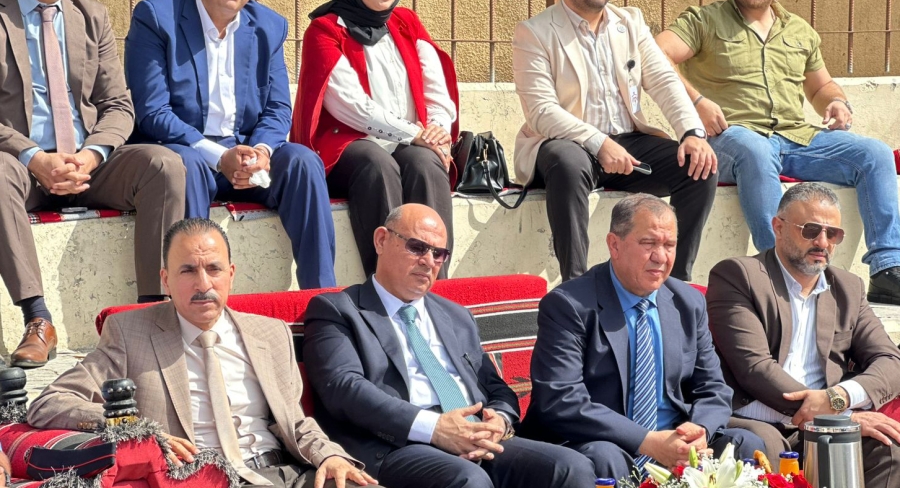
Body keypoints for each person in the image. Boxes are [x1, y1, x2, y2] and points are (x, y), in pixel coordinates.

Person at [28, 218, 377, 488]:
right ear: (166, 279)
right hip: (201, 476)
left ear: (231, 274)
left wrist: (329, 456)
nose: (204, 284)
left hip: (283, 473)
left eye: (213, 269)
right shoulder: (130, 333)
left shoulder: (270, 333)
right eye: (188, 271)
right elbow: (49, 403)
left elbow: (295, 423)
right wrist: (134, 429)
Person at [656, 0, 900, 306]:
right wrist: (698, 102)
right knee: (755, 150)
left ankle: (887, 268)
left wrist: (836, 101)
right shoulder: (704, 20)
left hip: (793, 137)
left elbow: (820, 86)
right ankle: (782, 270)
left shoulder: (799, 30)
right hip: (731, 136)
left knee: (875, 154)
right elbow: (658, 54)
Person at [0, 0, 185, 368]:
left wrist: (92, 154)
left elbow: (118, 105)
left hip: (89, 164)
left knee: (164, 164)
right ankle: (37, 319)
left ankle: (152, 313)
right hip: (22, 167)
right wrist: (33, 156)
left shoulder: (91, 16)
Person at [303, 204, 596, 488]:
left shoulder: (456, 315)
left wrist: (500, 420)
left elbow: (495, 386)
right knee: (468, 479)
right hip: (396, 444)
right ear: (381, 240)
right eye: (417, 247)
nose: (428, 261)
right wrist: (435, 428)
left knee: (571, 467)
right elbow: (344, 388)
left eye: (438, 253)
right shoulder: (338, 310)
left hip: (474, 434)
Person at [125, 0, 336, 290]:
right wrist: (219, 156)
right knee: (186, 167)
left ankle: (322, 296)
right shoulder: (157, 17)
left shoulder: (269, 26)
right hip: (188, 149)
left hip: (246, 153)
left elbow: (278, 108)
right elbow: (153, 111)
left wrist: (261, 152)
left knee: (303, 162)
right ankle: (194, 298)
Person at [512, 0, 717, 284]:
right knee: (567, 161)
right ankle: (575, 285)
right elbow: (541, 111)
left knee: (699, 167)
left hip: (628, 144)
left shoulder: (630, 23)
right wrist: (599, 143)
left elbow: (664, 80)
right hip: (569, 144)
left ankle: (674, 283)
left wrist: (692, 132)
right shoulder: (535, 32)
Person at [521, 194, 764, 481]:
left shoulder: (688, 303)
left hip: (674, 437)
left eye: (669, 245)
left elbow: (713, 388)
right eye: (649, 243)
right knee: (605, 456)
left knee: (745, 443)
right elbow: (561, 398)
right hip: (599, 440)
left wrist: (699, 431)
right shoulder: (569, 305)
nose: (661, 257)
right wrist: (647, 441)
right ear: (614, 245)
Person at [706, 183, 900, 488]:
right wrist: (838, 418)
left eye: (832, 233)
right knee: (765, 447)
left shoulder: (848, 287)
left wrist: (838, 399)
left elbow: (890, 360)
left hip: (826, 423)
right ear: (778, 227)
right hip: (756, 419)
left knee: (889, 447)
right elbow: (754, 368)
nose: (822, 242)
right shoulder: (739, 275)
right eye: (810, 230)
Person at [292, 0, 458, 279]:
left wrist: (438, 129)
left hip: (410, 142)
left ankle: (436, 283)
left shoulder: (405, 22)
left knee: (425, 162)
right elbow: (350, 105)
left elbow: (435, 87)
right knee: (377, 162)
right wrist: (414, 133)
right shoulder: (325, 30)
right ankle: (386, 281)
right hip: (349, 148)